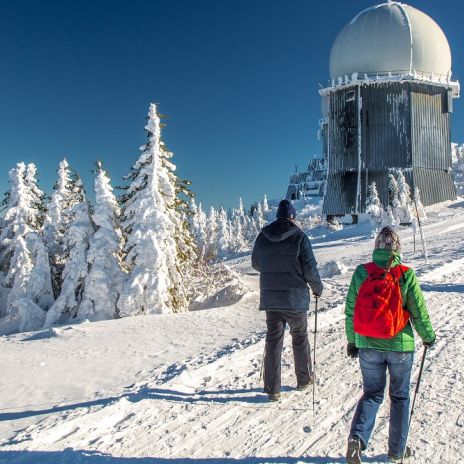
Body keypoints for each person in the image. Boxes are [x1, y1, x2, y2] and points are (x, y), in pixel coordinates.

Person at [345, 226, 436, 464]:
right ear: (397, 250)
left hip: (368, 345)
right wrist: (428, 337)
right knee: (400, 397)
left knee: (372, 394)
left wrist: (352, 341)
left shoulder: (361, 272)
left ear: (376, 248)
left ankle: (357, 439)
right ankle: (397, 451)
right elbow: (418, 312)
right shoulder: (405, 274)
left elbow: (350, 311)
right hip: (400, 347)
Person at [252, 199, 323, 402]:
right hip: (295, 298)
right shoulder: (300, 237)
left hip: (271, 298)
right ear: (293, 217)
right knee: (299, 337)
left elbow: (256, 262)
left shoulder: (263, 236)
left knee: (273, 340)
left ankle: (272, 389)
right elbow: (310, 268)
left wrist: (272, 272)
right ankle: (304, 379)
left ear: (277, 216)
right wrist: (317, 289)